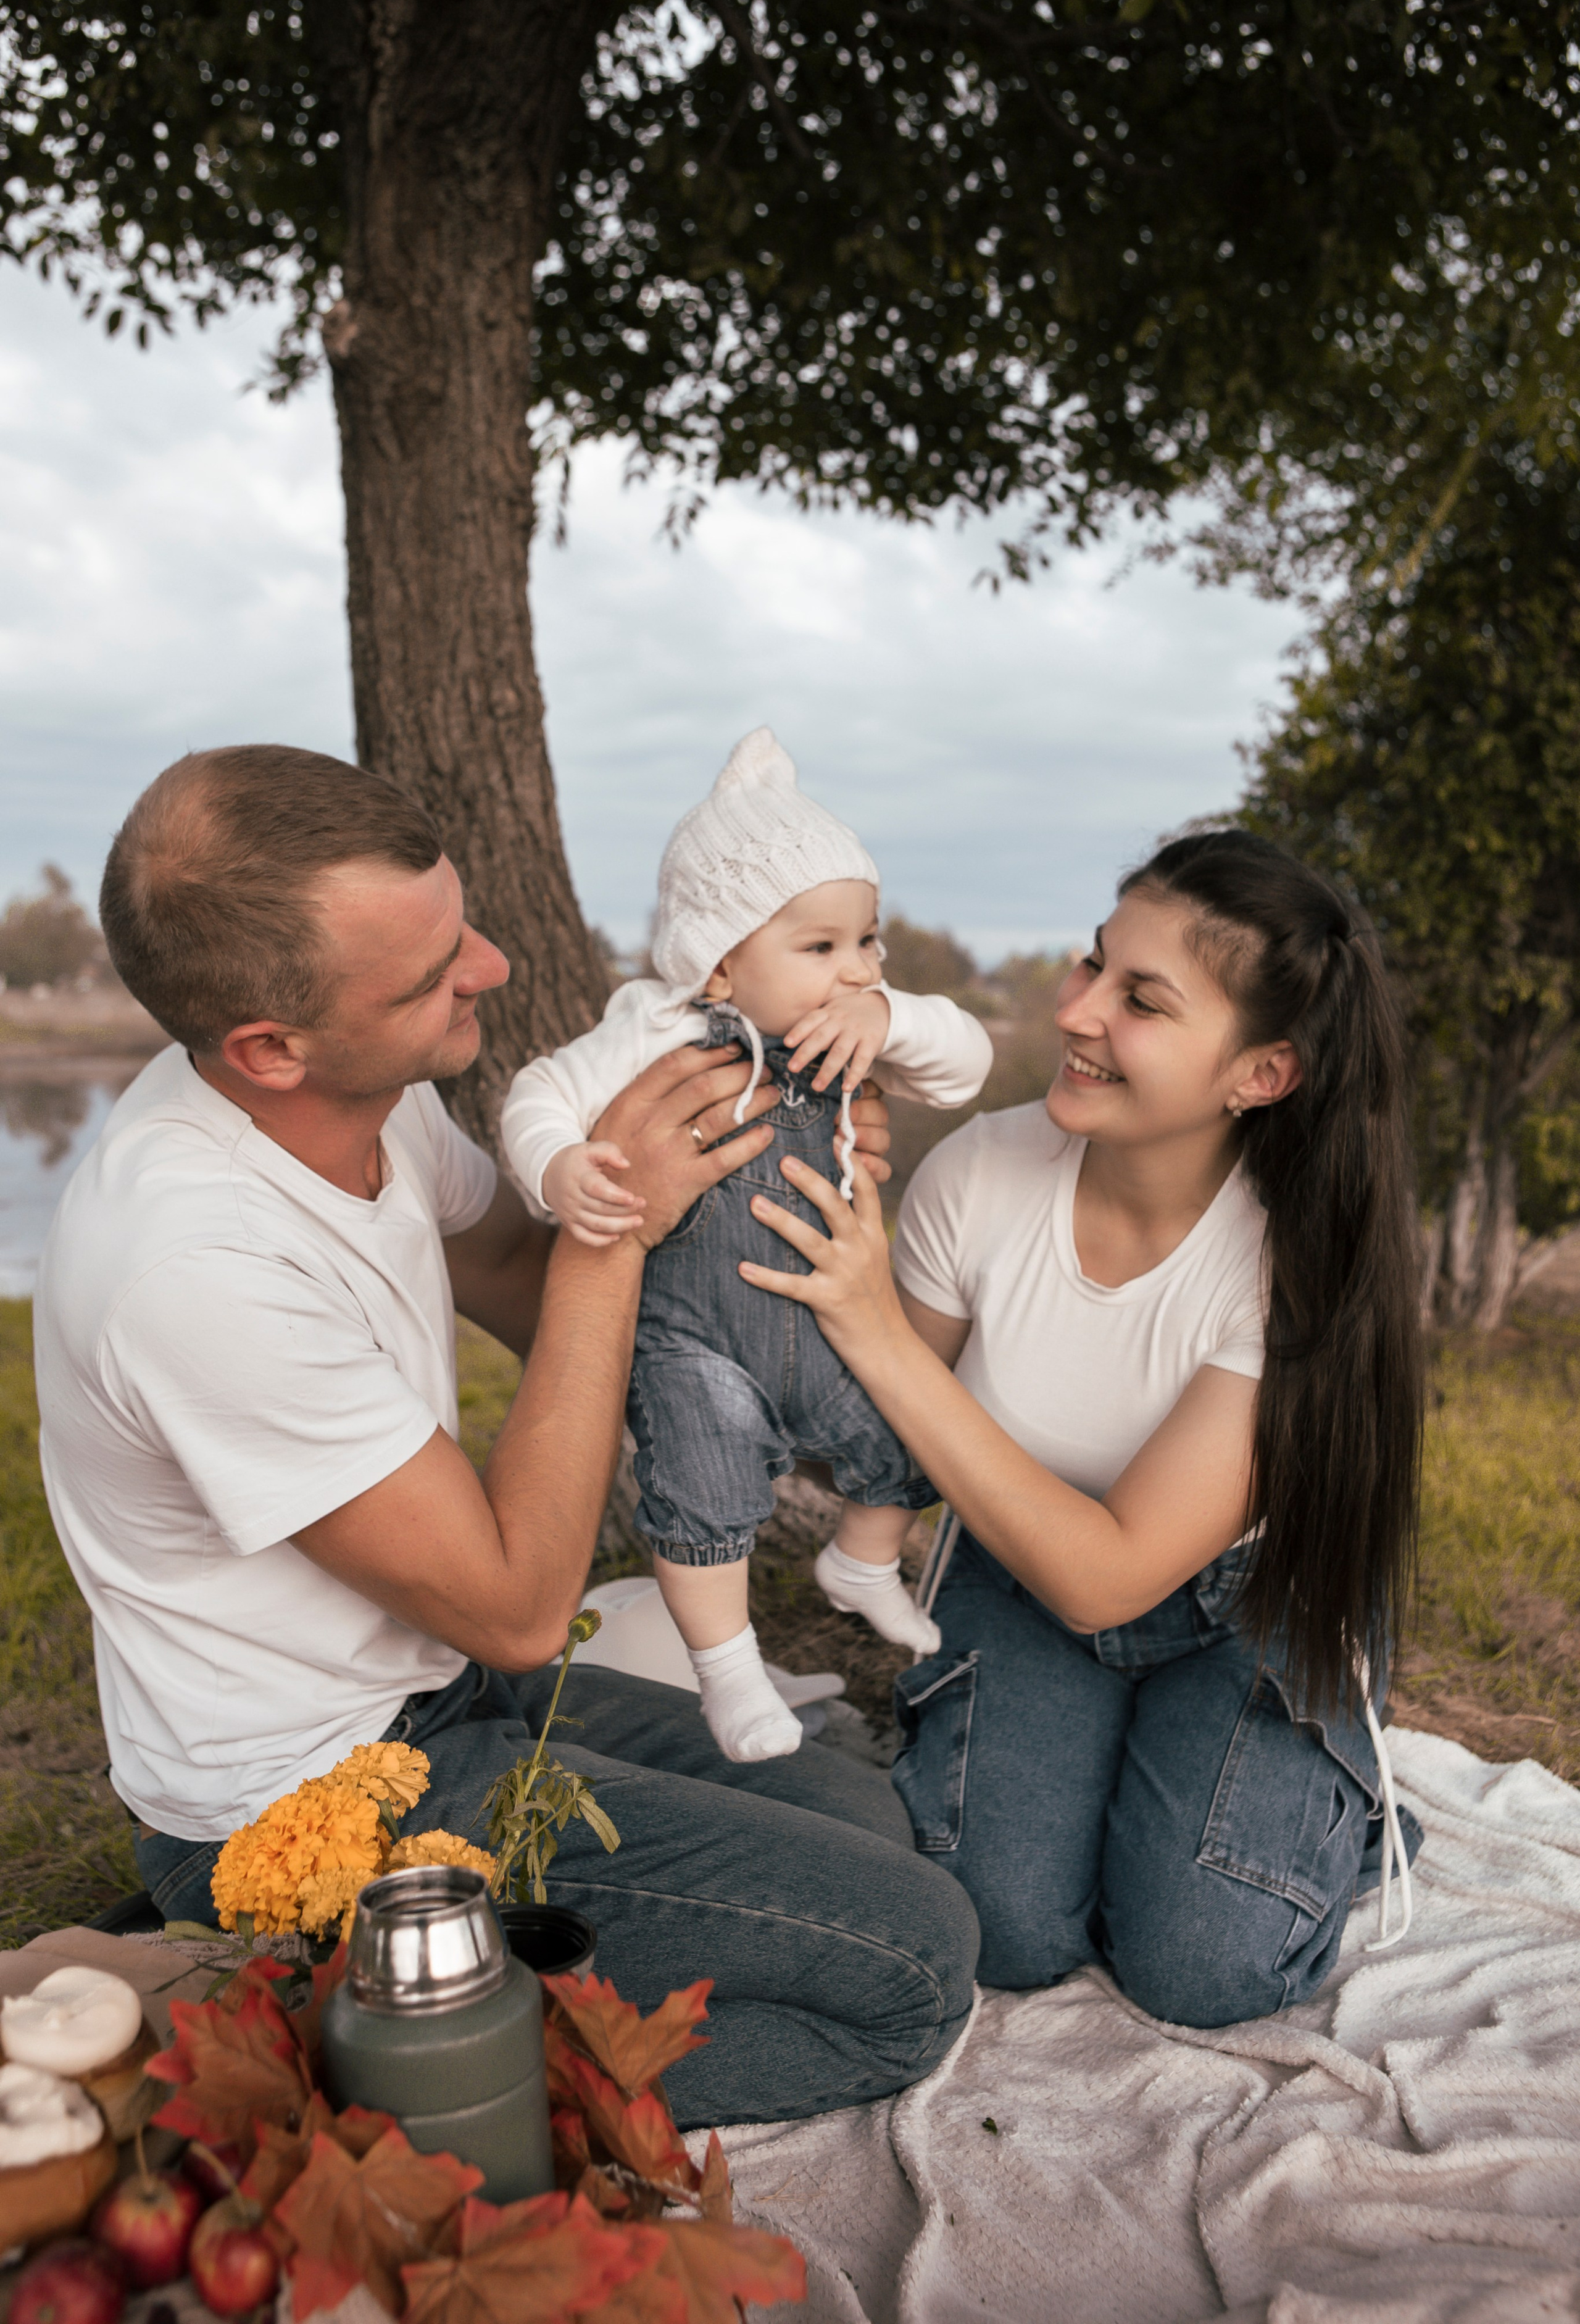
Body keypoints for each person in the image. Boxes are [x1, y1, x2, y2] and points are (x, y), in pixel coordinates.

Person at [32, 744, 978, 2127]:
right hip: (304, 1811)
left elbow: (533, 1302)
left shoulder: (368, 1100)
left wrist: (729, 1190)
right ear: (268, 1048)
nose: (488, 966)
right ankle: (295, 2052)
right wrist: (616, 1228)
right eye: (428, 976)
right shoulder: (192, 1263)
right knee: (910, 1969)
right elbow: (523, 1605)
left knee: (862, 1821)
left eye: (457, 924)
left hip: (437, 1706)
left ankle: (371, 1993)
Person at [735, 830, 1426, 2028]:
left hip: (1242, 1605)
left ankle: (1336, 1802)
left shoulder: (1288, 1264)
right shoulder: (979, 1175)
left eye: (1140, 1001)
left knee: (1204, 1969)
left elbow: (1108, 1575)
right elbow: (863, 1431)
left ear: (1257, 1074)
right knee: (1001, 1933)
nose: (1079, 1014)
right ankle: (1134, 1782)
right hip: (1016, 1571)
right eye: (1088, 967)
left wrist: (881, 1333)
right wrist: (772, 1181)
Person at [501, 728, 991, 1762]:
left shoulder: (857, 1029)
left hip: (825, 1322)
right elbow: (540, 1091)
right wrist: (558, 1166)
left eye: (869, 942)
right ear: (719, 960)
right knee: (702, 1466)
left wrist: (893, 1015)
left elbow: (967, 1066)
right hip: (699, 1340)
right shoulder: (657, 1029)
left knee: (921, 1427)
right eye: (822, 949)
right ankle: (728, 1676)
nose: (855, 969)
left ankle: (862, 1563)